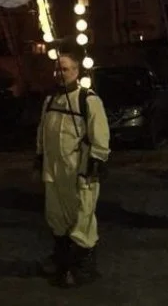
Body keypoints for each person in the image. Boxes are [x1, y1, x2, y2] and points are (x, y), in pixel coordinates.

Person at [34, 52, 110, 288]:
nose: (60, 73)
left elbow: (100, 135)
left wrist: (95, 163)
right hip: (54, 171)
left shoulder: (88, 100)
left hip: (79, 171)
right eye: (57, 69)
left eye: (65, 69)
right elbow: (42, 131)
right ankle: (61, 259)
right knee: (56, 215)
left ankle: (83, 267)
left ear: (76, 72)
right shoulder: (50, 100)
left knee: (82, 216)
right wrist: (39, 157)